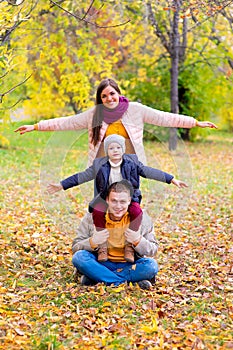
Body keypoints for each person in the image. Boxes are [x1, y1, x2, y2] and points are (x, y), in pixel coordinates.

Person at [47, 134, 188, 263]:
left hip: (128, 197)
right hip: (106, 197)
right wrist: (61, 185)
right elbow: (82, 176)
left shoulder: (132, 162)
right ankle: (102, 246)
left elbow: (149, 171)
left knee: (137, 212)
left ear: (123, 149)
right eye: (111, 148)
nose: (115, 150)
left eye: (118, 147)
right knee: (97, 212)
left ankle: (129, 247)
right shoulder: (99, 164)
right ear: (106, 151)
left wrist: (171, 179)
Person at [14, 78, 217, 166]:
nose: (109, 98)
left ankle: (129, 245)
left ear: (119, 93)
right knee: (101, 209)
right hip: (102, 166)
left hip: (130, 165)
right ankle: (102, 246)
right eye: (104, 96)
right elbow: (66, 122)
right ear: (100, 99)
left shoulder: (135, 110)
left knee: (129, 207)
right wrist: (36, 126)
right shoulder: (94, 115)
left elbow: (165, 117)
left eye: (112, 94)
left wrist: (196, 123)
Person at [72, 180, 159, 290]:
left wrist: (138, 240)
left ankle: (98, 278)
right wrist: (92, 242)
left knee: (151, 266)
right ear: (107, 200)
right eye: (114, 201)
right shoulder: (92, 217)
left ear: (129, 201)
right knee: (79, 257)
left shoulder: (142, 219)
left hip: (130, 265)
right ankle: (126, 282)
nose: (118, 206)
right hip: (101, 263)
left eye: (122, 202)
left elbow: (153, 250)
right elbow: (75, 247)